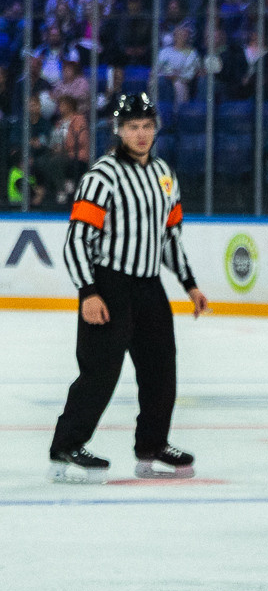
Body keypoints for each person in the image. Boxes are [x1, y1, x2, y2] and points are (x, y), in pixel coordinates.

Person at [49, 91, 208, 482]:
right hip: (109, 283)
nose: (141, 134)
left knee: (160, 368)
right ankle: (65, 449)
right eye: (133, 127)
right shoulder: (102, 175)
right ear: (119, 130)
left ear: (156, 129)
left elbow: (170, 238)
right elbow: (76, 240)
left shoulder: (164, 176)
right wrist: (88, 292)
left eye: (147, 126)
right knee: (100, 371)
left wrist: (189, 284)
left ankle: (152, 446)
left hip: (149, 285)